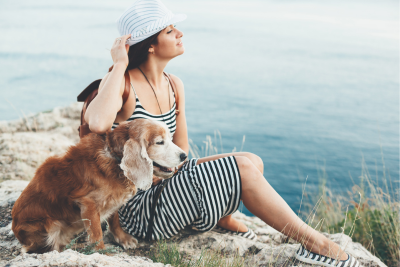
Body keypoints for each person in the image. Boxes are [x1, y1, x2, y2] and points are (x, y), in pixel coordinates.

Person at [84, 0, 362, 266]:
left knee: (252, 161)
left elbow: (180, 151)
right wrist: (119, 63)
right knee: (241, 168)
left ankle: (220, 219)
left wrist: (177, 177)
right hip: (137, 210)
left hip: (163, 191)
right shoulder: (123, 84)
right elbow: (97, 122)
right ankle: (319, 246)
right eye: (170, 31)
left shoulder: (174, 85)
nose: (180, 33)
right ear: (151, 46)